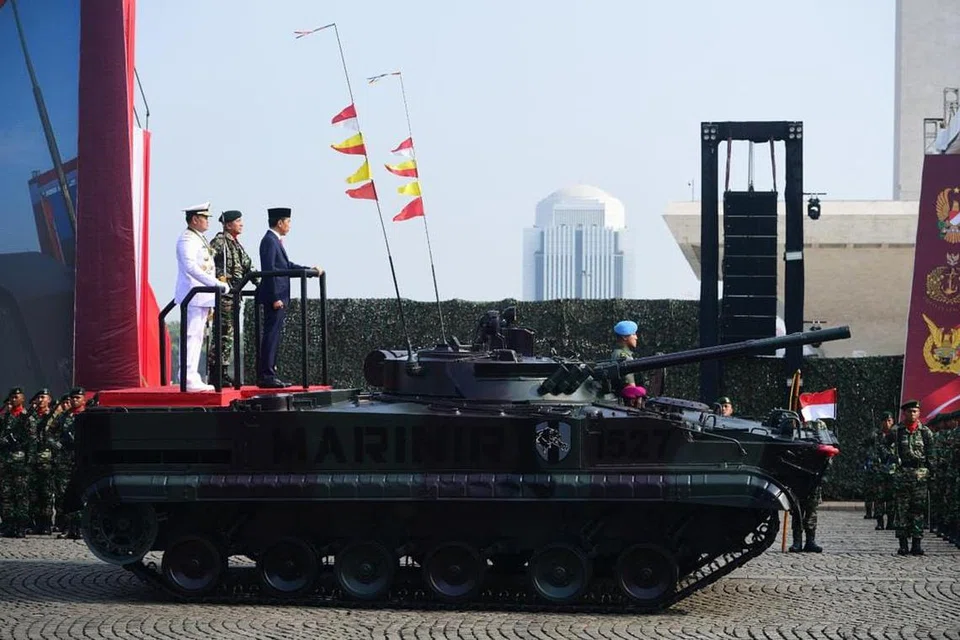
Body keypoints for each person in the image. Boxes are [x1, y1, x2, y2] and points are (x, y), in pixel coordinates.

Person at [256, 207, 322, 388]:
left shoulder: (276, 241)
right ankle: (266, 375)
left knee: (275, 335)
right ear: (279, 223)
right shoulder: (269, 241)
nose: (290, 225)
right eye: (288, 221)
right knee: (271, 335)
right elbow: (269, 270)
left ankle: (271, 372)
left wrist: (310, 271)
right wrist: (275, 297)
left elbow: (286, 266)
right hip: (276, 297)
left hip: (281, 296)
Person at [175, 202, 230, 392]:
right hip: (193, 294)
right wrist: (215, 283)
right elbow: (191, 267)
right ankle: (188, 376)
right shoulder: (187, 240)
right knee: (191, 335)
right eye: (205, 218)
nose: (208, 221)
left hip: (202, 296)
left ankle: (191, 375)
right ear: (195, 219)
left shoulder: (199, 238)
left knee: (198, 336)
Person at [207, 209, 258, 386]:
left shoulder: (236, 245)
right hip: (224, 295)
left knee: (228, 335)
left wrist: (263, 284)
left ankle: (222, 371)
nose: (241, 224)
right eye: (238, 221)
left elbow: (248, 266)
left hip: (235, 295)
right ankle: (215, 374)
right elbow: (206, 260)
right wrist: (215, 279)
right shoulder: (220, 242)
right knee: (222, 334)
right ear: (228, 225)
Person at [886, 399, 934, 556]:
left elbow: (931, 455)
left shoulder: (925, 432)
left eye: (915, 411)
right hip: (902, 475)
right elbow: (883, 446)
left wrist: (930, 472)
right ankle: (903, 544)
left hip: (920, 476)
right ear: (904, 413)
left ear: (919, 413)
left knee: (918, 510)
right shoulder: (897, 431)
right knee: (902, 510)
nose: (912, 414)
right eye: (909, 411)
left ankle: (917, 543)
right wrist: (892, 460)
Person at [611, 320, 643, 391]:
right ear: (624, 337)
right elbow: (631, 388)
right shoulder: (623, 357)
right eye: (634, 334)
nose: (636, 338)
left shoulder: (616, 353)